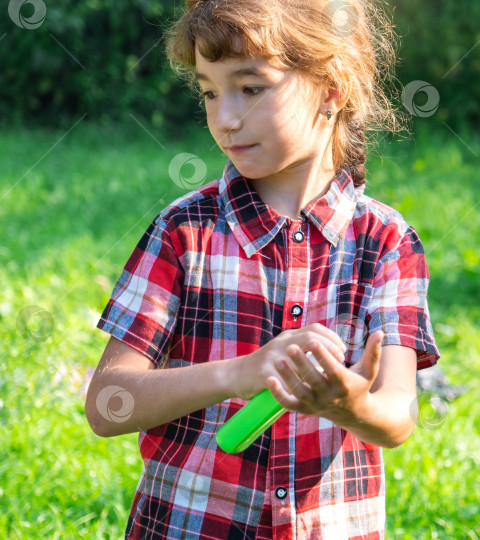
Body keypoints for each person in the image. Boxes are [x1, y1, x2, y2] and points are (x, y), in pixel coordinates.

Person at [83, 0, 440, 537]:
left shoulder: (387, 244)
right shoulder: (184, 231)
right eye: (209, 91)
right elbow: (108, 404)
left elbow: (396, 416)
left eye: (251, 88)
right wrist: (240, 373)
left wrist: (349, 405)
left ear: (332, 87)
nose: (225, 118)